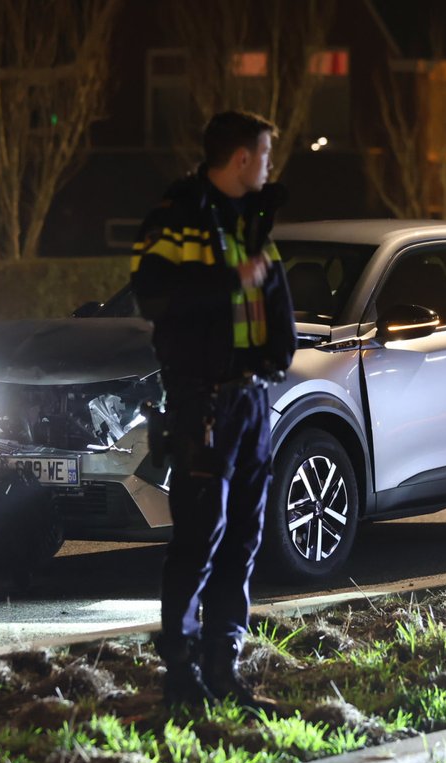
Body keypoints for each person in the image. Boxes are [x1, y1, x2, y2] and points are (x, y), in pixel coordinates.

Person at [131, 111, 297, 708]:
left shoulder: (251, 222)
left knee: (245, 538)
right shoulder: (177, 219)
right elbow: (154, 297)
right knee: (202, 536)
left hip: (253, 399)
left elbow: (272, 294)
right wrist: (232, 280)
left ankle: (224, 671)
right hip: (202, 399)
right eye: (265, 154)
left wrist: (281, 354)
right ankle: (181, 676)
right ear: (241, 160)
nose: (270, 165)